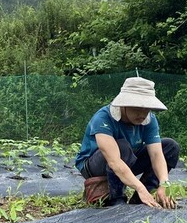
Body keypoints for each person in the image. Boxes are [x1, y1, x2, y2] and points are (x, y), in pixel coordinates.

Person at [75, 76, 180, 208]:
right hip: (93, 165)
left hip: (127, 158)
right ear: (124, 105)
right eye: (137, 109)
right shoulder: (103, 118)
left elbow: (156, 155)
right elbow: (114, 161)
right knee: (122, 147)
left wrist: (164, 184)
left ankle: (141, 200)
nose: (142, 115)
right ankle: (117, 200)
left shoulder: (149, 120)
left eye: (146, 110)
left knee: (170, 147)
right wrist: (140, 187)